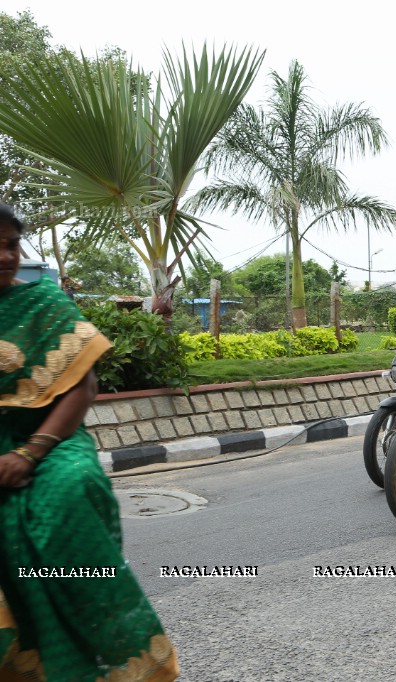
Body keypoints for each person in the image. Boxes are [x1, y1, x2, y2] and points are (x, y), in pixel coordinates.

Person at [0, 204, 179, 680]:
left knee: (70, 491)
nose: (4, 256)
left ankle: (110, 656)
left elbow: (84, 387)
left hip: (50, 437)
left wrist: (28, 452)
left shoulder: (45, 304)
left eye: (11, 245)